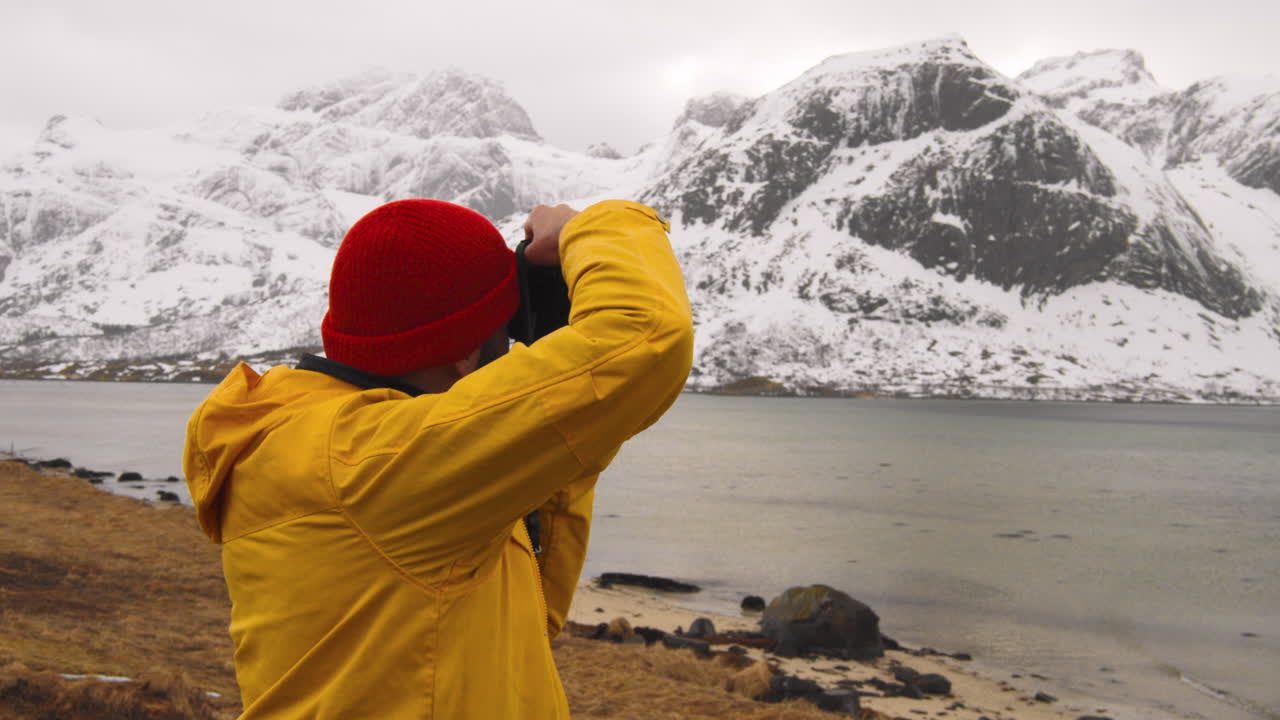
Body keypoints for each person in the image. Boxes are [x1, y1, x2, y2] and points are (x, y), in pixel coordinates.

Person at [182, 198, 694, 719]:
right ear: (466, 351)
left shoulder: (323, 442)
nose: (517, 349)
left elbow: (530, 609)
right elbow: (647, 338)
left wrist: (556, 349)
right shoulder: (382, 465)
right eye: (506, 330)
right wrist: (595, 228)